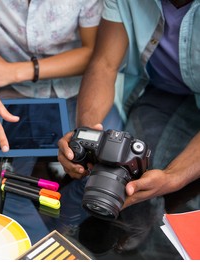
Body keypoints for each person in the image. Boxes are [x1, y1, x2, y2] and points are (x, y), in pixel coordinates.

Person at [58, 0, 200, 209]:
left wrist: (173, 177)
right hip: (158, 91)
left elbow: (172, 179)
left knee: (177, 202)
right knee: (135, 179)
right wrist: (88, 138)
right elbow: (104, 64)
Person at [0, 0, 122, 154]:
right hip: (9, 95)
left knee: (104, 160)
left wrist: (14, 72)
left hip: (78, 91)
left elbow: (95, 53)